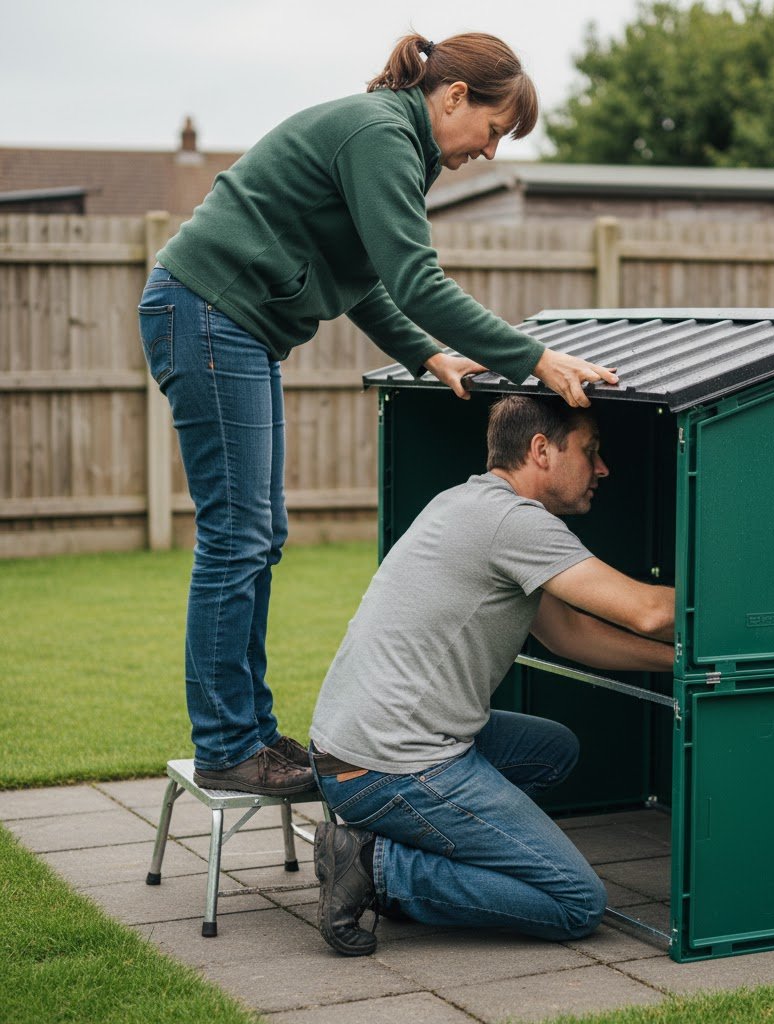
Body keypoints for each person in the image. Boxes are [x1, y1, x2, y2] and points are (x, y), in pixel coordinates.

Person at [136, 32, 618, 796]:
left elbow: (360, 278)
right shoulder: (382, 135)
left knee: (259, 537)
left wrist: (428, 354)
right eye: (495, 132)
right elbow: (415, 279)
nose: (491, 152)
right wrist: (534, 360)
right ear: (455, 97)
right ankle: (229, 745)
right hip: (207, 313)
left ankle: (251, 735)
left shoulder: (397, 144)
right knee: (237, 537)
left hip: (229, 326)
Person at [309, 395, 675, 955]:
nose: (603, 468)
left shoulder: (470, 502)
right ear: (541, 450)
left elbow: (567, 634)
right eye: (590, 450)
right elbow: (648, 611)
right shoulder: (514, 522)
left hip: (353, 744)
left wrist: (677, 661)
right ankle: (374, 864)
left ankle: (410, 838)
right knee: (577, 902)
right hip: (390, 765)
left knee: (553, 750)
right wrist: (744, 596)